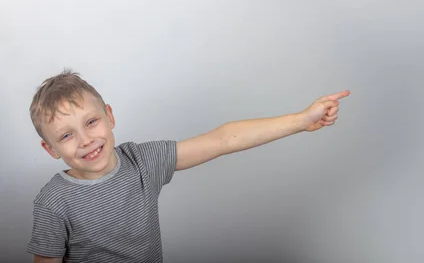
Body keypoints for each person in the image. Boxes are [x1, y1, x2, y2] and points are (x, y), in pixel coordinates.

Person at [26, 68, 349, 263]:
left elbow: (223, 140)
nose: (85, 140)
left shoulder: (143, 162)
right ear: (50, 148)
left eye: (92, 122)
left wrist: (300, 120)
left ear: (109, 116)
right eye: (67, 135)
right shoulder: (54, 203)